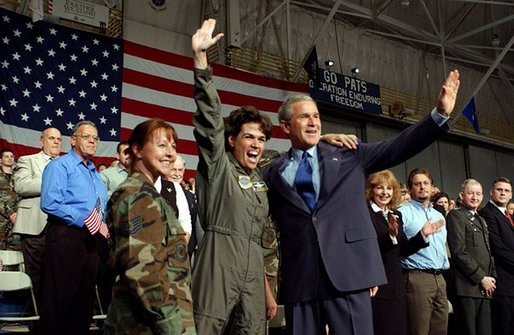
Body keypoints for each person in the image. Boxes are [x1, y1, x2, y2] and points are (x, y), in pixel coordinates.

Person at [264, 60, 459, 333]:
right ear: (285, 126)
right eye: (304, 117)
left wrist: (437, 115)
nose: (313, 122)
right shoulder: (273, 171)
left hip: (350, 273)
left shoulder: (349, 155)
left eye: (316, 116)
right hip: (302, 279)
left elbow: (398, 146)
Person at [191, 19, 278, 334]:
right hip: (218, 261)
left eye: (261, 139)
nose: (256, 144)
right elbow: (209, 120)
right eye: (249, 137)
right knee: (205, 327)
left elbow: (260, 242)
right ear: (232, 141)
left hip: (252, 271)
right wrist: (201, 62)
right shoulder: (219, 166)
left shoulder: (259, 182)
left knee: (252, 329)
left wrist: (267, 288)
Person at [105, 119, 195, 334]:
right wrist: (171, 324)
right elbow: (143, 270)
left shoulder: (151, 195)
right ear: (137, 149)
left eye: (173, 146)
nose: (171, 153)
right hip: (147, 324)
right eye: (162, 145)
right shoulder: (138, 196)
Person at [40, 120, 109, 335]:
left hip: (91, 242)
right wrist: (85, 219)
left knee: (84, 303)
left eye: (95, 138)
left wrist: (101, 224)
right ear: (73, 140)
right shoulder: (60, 165)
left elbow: (100, 209)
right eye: (86, 136)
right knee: (59, 301)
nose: (91, 141)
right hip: (65, 237)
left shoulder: (95, 175)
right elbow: (50, 202)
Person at [365, 170, 440, 335]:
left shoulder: (395, 214)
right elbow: (369, 249)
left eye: (389, 188)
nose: (385, 193)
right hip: (376, 283)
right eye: (380, 188)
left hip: (396, 284)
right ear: (371, 190)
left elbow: (403, 249)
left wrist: (422, 235)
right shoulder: (365, 214)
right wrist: (391, 235)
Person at [13, 127, 62, 305]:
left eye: (58, 139)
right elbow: (21, 186)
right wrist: (54, 181)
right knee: (36, 276)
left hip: (61, 227)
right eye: (51, 138)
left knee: (56, 276)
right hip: (35, 226)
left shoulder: (66, 164)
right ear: (42, 142)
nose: (56, 142)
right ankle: (37, 322)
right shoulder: (28, 160)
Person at [399, 168, 449, 335]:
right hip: (417, 278)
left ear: (432, 187)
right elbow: (399, 249)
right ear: (410, 188)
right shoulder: (402, 213)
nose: (422, 187)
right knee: (418, 330)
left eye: (426, 183)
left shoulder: (439, 216)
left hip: (440, 279)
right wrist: (422, 235)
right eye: (417, 184)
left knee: (440, 331)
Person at [446, 179, 496, 335]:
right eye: (471, 193)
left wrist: (491, 277)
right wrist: (481, 278)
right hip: (467, 287)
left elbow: (488, 251)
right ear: (462, 195)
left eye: (478, 194)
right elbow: (459, 251)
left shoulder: (481, 219)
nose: (475, 197)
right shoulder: (456, 215)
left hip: (484, 288)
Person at [479, 177, 514, 335]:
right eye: (499, 190)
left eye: (506, 190)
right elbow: (497, 247)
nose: (503, 193)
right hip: (502, 283)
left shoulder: (509, 216)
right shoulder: (487, 213)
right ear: (491, 192)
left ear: (511, 195)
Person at [159, 154, 199, 257]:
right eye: (174, 170)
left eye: (180, 170)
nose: (177, 174)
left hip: (185, 252)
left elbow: (191, 223)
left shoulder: (190, 196)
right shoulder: (157, 190)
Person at [0, 149, 18, 250]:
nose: (9, 158)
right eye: (6, 156)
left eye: (11, 156)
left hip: (18, 218)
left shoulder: (19, 176)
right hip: (2, 218)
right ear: (0, 160)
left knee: (16, 250)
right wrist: (10, 213)